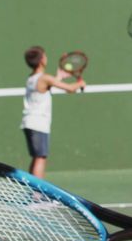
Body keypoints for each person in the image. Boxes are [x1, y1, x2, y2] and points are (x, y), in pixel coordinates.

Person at [21, 46, 85, 179]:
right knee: (40, 158)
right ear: (42, 60)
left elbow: (44, 88)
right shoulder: (45, 78)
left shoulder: (32, 78)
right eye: (44, 55)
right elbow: (70, 89)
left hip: (29, 122)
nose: (46, 57)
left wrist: (59, 77)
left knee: (36, 158)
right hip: (38, 123)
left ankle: (33, 193)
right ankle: (37, 196)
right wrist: (80, 83)